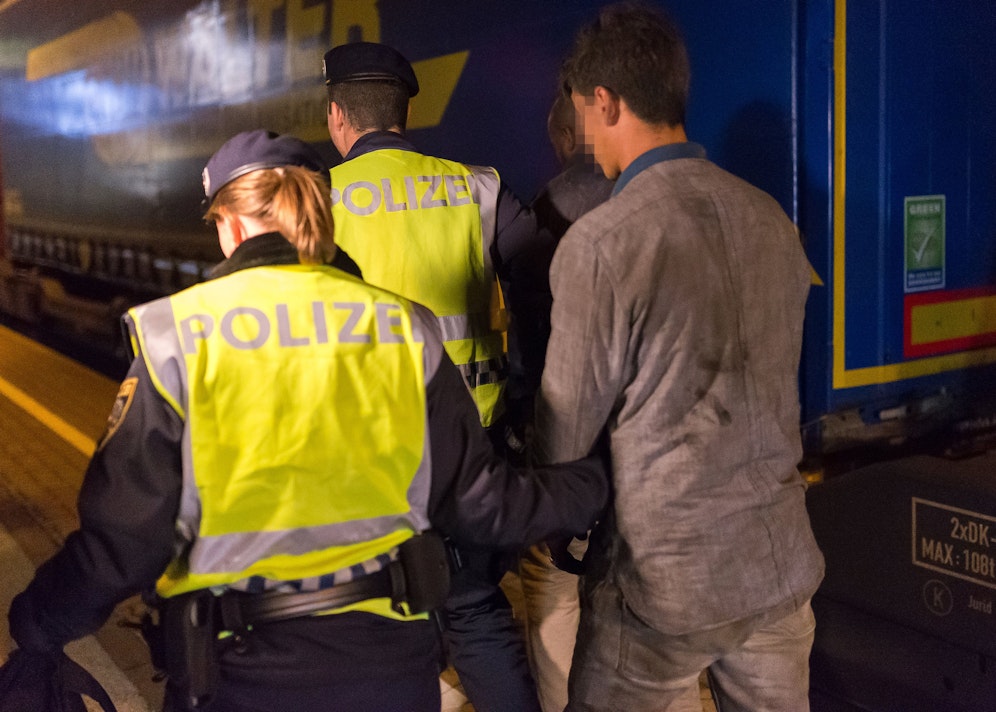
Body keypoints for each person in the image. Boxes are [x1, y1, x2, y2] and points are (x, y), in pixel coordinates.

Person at [6, 129, 609, 712]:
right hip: (390, 672)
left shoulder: (178, 335)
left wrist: (38, 626)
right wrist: (599, 481)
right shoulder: (403, 326)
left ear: (233, 223)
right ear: (320, 215)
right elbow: (486, 505)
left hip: (240, 673)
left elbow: (122, 545)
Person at [534, 4, 826, 712]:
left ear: (606, 102)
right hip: (778, 565)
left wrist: (551, 517)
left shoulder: (604, 242)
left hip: (664, 586)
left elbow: (566, 434)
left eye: (584, 116)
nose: (584, 139)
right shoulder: (770, 219)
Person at [322, 42, 550, 712]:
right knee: (477, 619)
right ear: (406, 113)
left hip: (363, 464)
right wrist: (522, 403)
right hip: (471, 456)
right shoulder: (479, 187)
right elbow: (541, 299)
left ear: (337, 117)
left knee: (375, 636)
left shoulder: (317, 203)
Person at [518, 91, 614, 712]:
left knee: (548, 581)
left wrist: (553, 492)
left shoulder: (549, 215)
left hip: (584, 455)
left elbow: (545, 363)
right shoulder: (654, 202)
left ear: (559, 138)